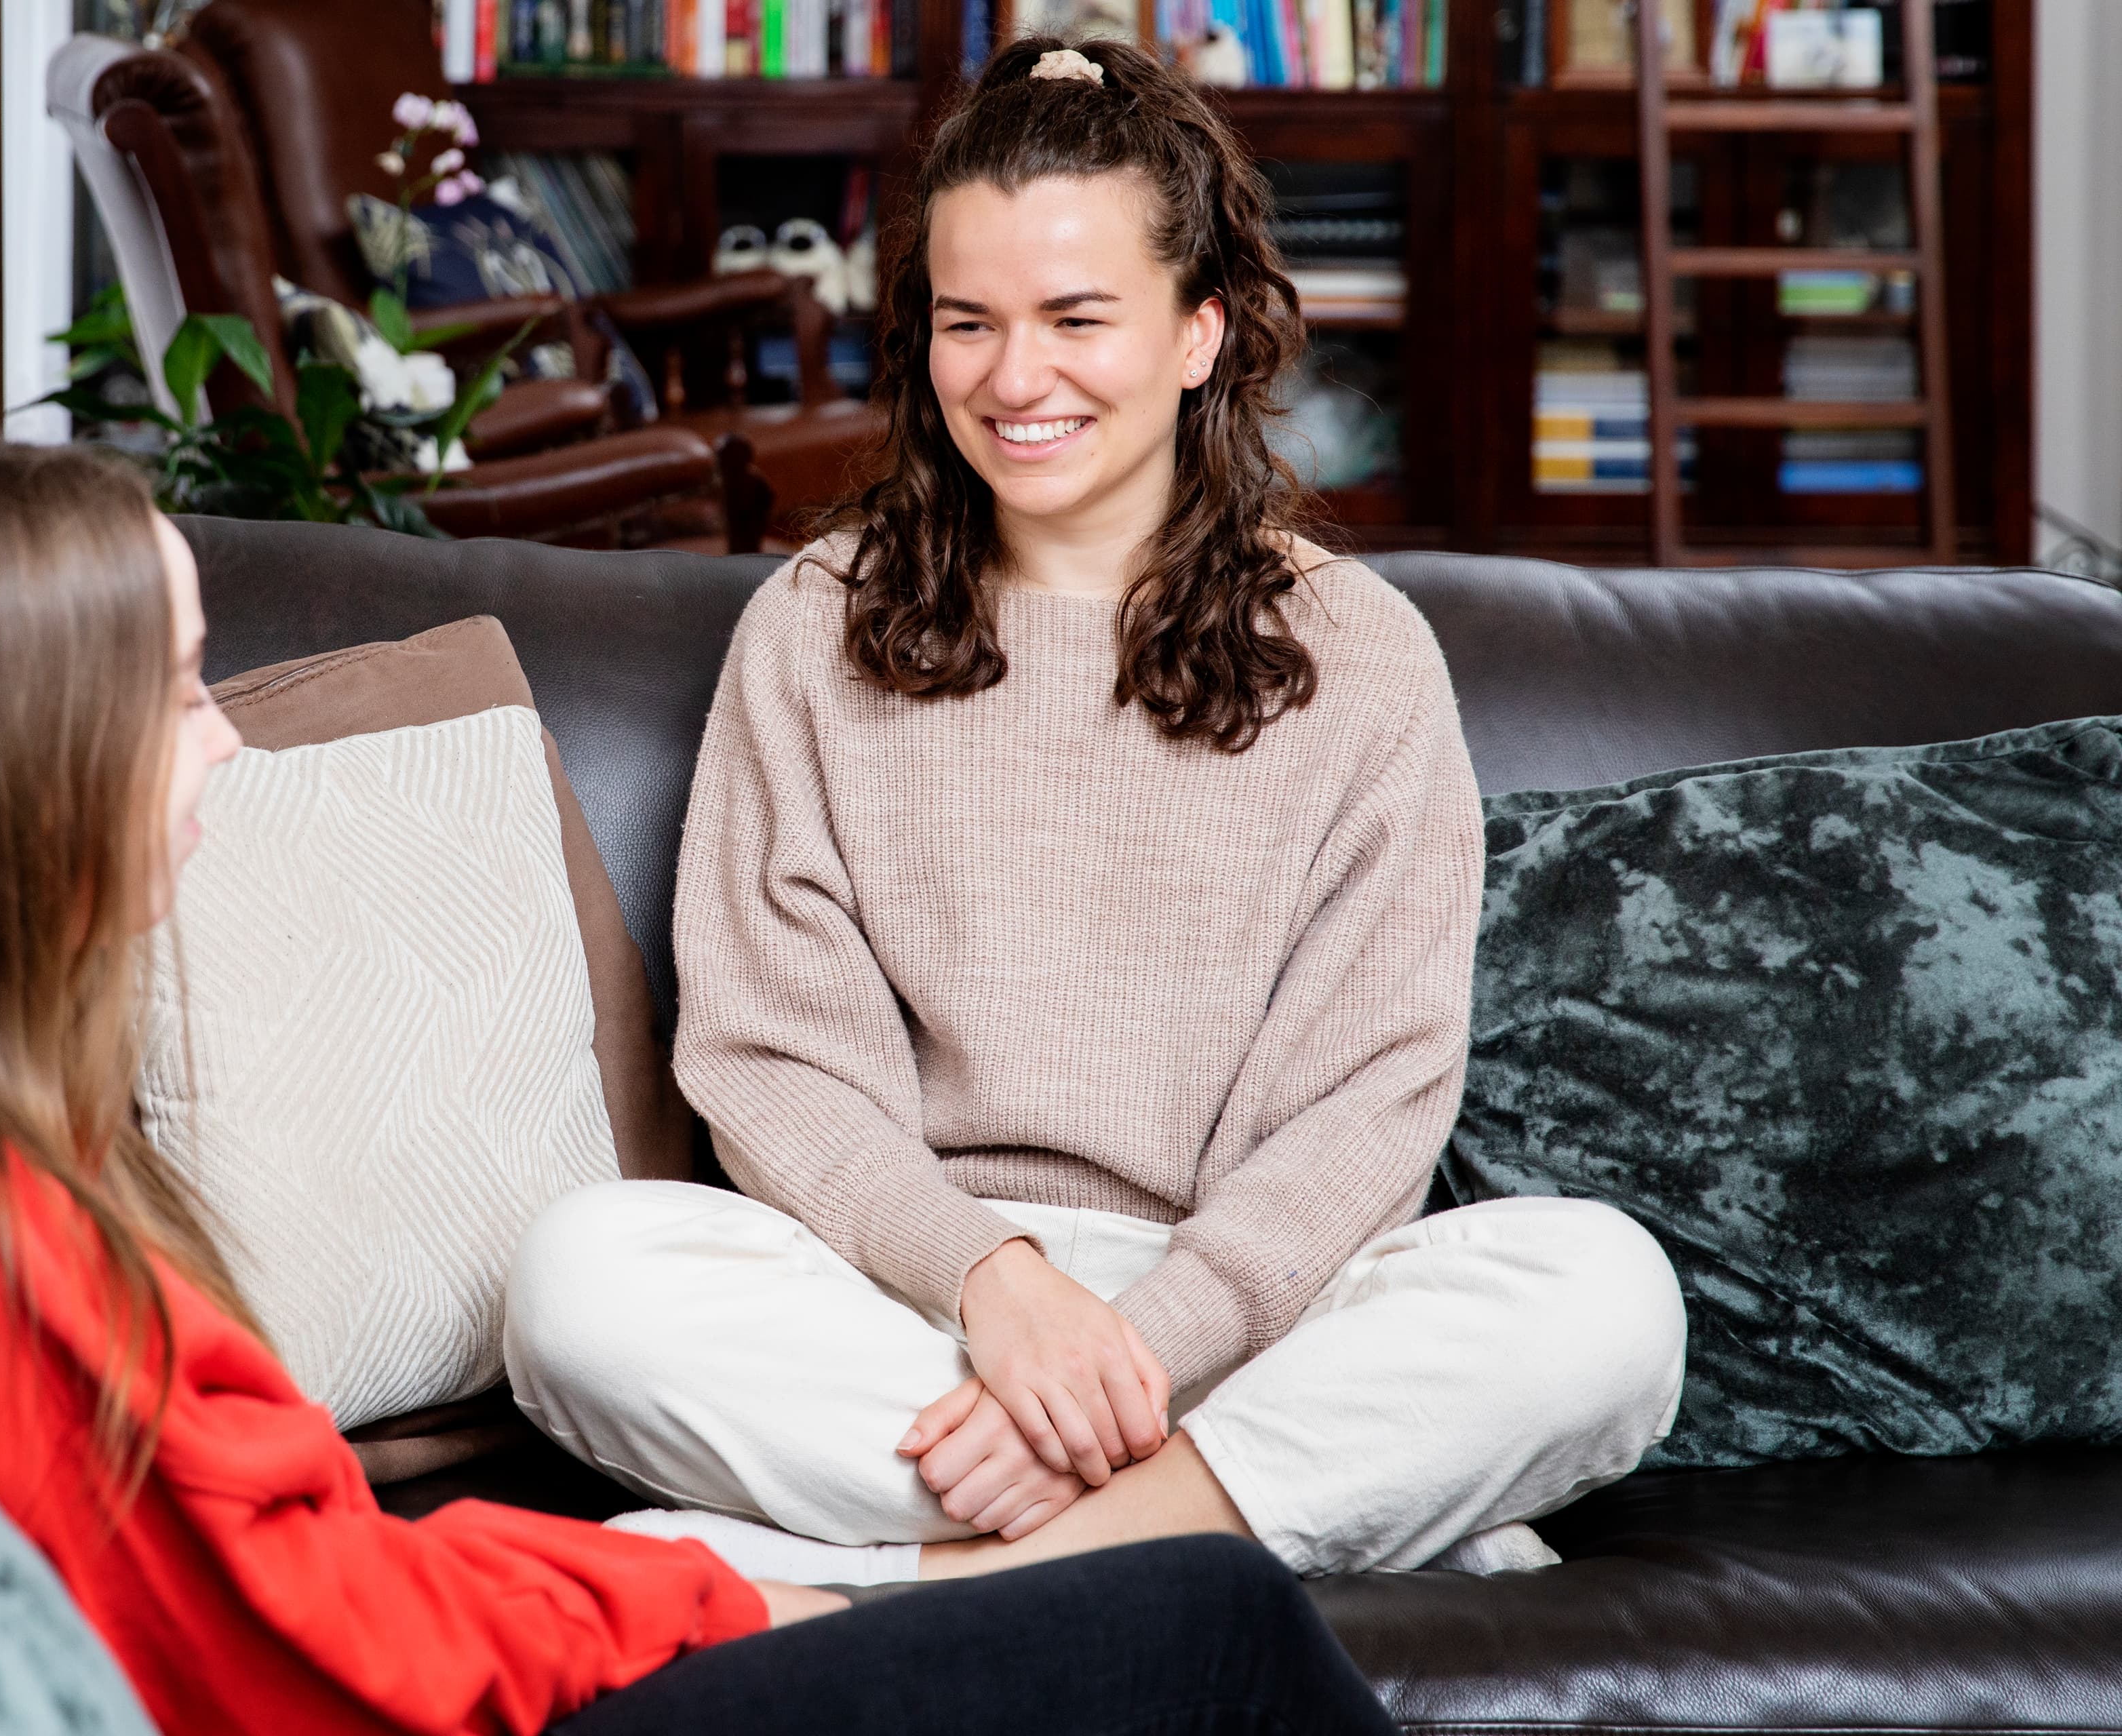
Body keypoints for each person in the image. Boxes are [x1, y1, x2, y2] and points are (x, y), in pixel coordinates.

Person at [0, 437, 1398, 1736]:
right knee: (1217, 1627)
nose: (225, 741)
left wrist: (719, 1589)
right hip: (495, 1704)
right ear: (10, 765)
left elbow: (314, 1568)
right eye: (178, 691)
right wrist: (727, 1608)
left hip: (544, 1631)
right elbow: (324, 1638)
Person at [502, 35, 1689, 1592]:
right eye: (967, 322)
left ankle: (921, 1573)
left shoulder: (1362, 654)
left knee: (1601, 1296)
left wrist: (1147, 1335)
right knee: (577, 1281)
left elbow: (1368, 1109)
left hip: (1248, 1316)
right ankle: (1274, 1515)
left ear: (1202, 332)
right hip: (906, 1298)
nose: (1014, 378)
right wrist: (994, 1282)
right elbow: (774, 1065)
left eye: (1076, 319)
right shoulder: (810, 627)